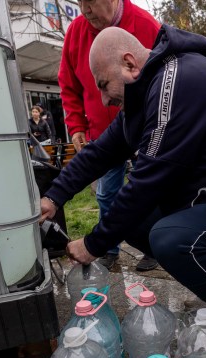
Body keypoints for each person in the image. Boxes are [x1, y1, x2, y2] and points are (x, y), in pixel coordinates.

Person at [41, 26, 206, 358]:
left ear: (130, 64)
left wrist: (92, 245)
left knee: (169, 239)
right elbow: (99, 153)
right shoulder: (145, 97)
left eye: (103, 84)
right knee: (133, 222)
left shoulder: (180, 81)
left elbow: (147, 182)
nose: (103, 100)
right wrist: (53, 197)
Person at [58, 0, 160, 272]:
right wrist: (76, 125)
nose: (84, 9)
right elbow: (68, 84)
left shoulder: (146, 25)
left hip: (144, 131)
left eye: (90, 1)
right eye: (79, 1)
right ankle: (108, 246)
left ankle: (152, 246)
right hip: (104, 134)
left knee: (147, 190)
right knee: (105, 195)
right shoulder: (75, 32)